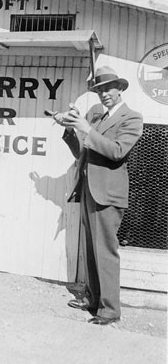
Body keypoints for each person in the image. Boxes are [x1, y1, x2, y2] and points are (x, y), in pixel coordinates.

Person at [53, 65, 143, 325]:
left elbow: (116, 151)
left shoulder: (132, 118)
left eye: (109, 88)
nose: (104, 94)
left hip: (108, 195)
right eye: (100, 90)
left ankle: (110, 310)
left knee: (105, 251)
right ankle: (93, 300)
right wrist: (71, 127)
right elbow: (81, 152)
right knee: (91, 250)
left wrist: (86, 127)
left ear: (120, 89)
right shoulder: (99, 120)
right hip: (89, 190)